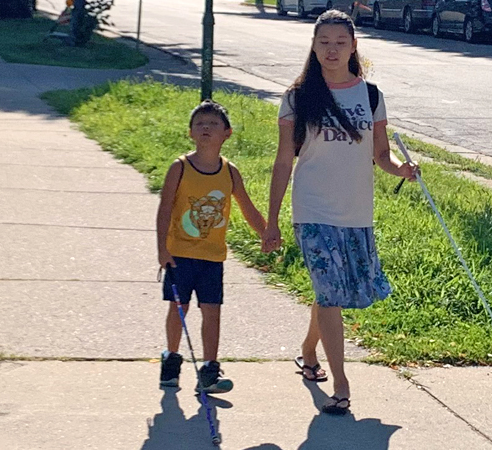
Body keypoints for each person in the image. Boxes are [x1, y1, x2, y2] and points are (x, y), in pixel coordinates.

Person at [261, 9, 419, 416]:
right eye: (323, 42)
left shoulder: (370, 95)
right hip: (312, 208)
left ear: (353, 46)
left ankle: (308, 351)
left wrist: (401, 169)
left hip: (355, 211)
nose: (332, 50)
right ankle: (342, 386)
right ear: (313, 47)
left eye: (340, 42)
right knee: (330, 292)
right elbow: (283, 162)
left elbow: (379, 155)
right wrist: (271, 220)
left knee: (331, 293)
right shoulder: (298, 97)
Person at [156, 100, 266, 394]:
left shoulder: (230, 172)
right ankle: (171, 360)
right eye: (200, 123)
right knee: (179, 307)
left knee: (212, 311)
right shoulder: (179, 168)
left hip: (212, 257)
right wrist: (162, 249)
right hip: (179, 254)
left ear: (227, 133)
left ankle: (210, 369)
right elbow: (165, 209)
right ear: (190, 132)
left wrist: (267, 233)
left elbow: (247, 207)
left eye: (213, 124)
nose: (206, 128)